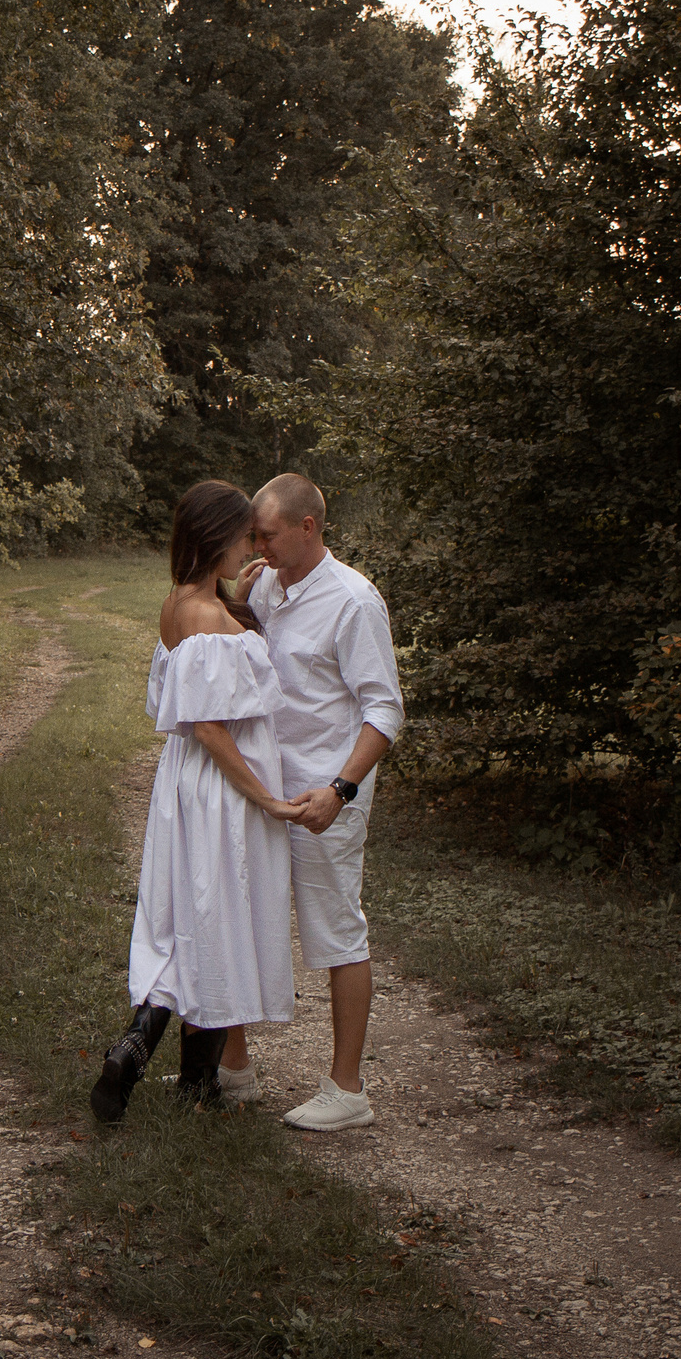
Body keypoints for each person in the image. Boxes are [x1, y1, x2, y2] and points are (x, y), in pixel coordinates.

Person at [91, 480, 304, 1122]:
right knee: (219, 919)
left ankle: (162, 1061)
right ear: (217, 538)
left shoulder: (181, 603)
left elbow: (181, 702)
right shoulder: (210, 620)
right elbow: (210, 725)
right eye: (243, 537)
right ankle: (178, 1070)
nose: (249, 547)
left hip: (182, 784)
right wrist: (267, 799)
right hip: (219, 792)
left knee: (189, 917)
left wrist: (236, 592)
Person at [242, 473, 403, 1133]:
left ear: (308, 527)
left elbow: (385, 709)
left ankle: (347, 1089)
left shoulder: (354, 601)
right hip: (265, 789)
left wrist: (340, 790)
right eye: (255, 535)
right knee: (244, 917)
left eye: (269, 534)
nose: (260, 544)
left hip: (326, 792)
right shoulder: (264, 584)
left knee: (336, 930)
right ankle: (231, 1071)